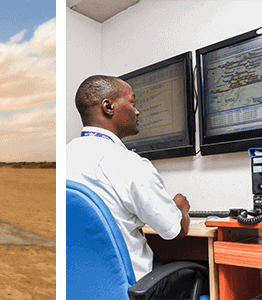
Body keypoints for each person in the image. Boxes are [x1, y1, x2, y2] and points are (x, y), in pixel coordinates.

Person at [67, 75, 196, 299]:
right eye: (133, 102)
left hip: (76, 288)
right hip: (132, 288)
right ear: (108, 107)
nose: (137, 111)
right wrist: (180, 208)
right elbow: (175, 231)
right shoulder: (127, 162)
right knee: (196, 275)